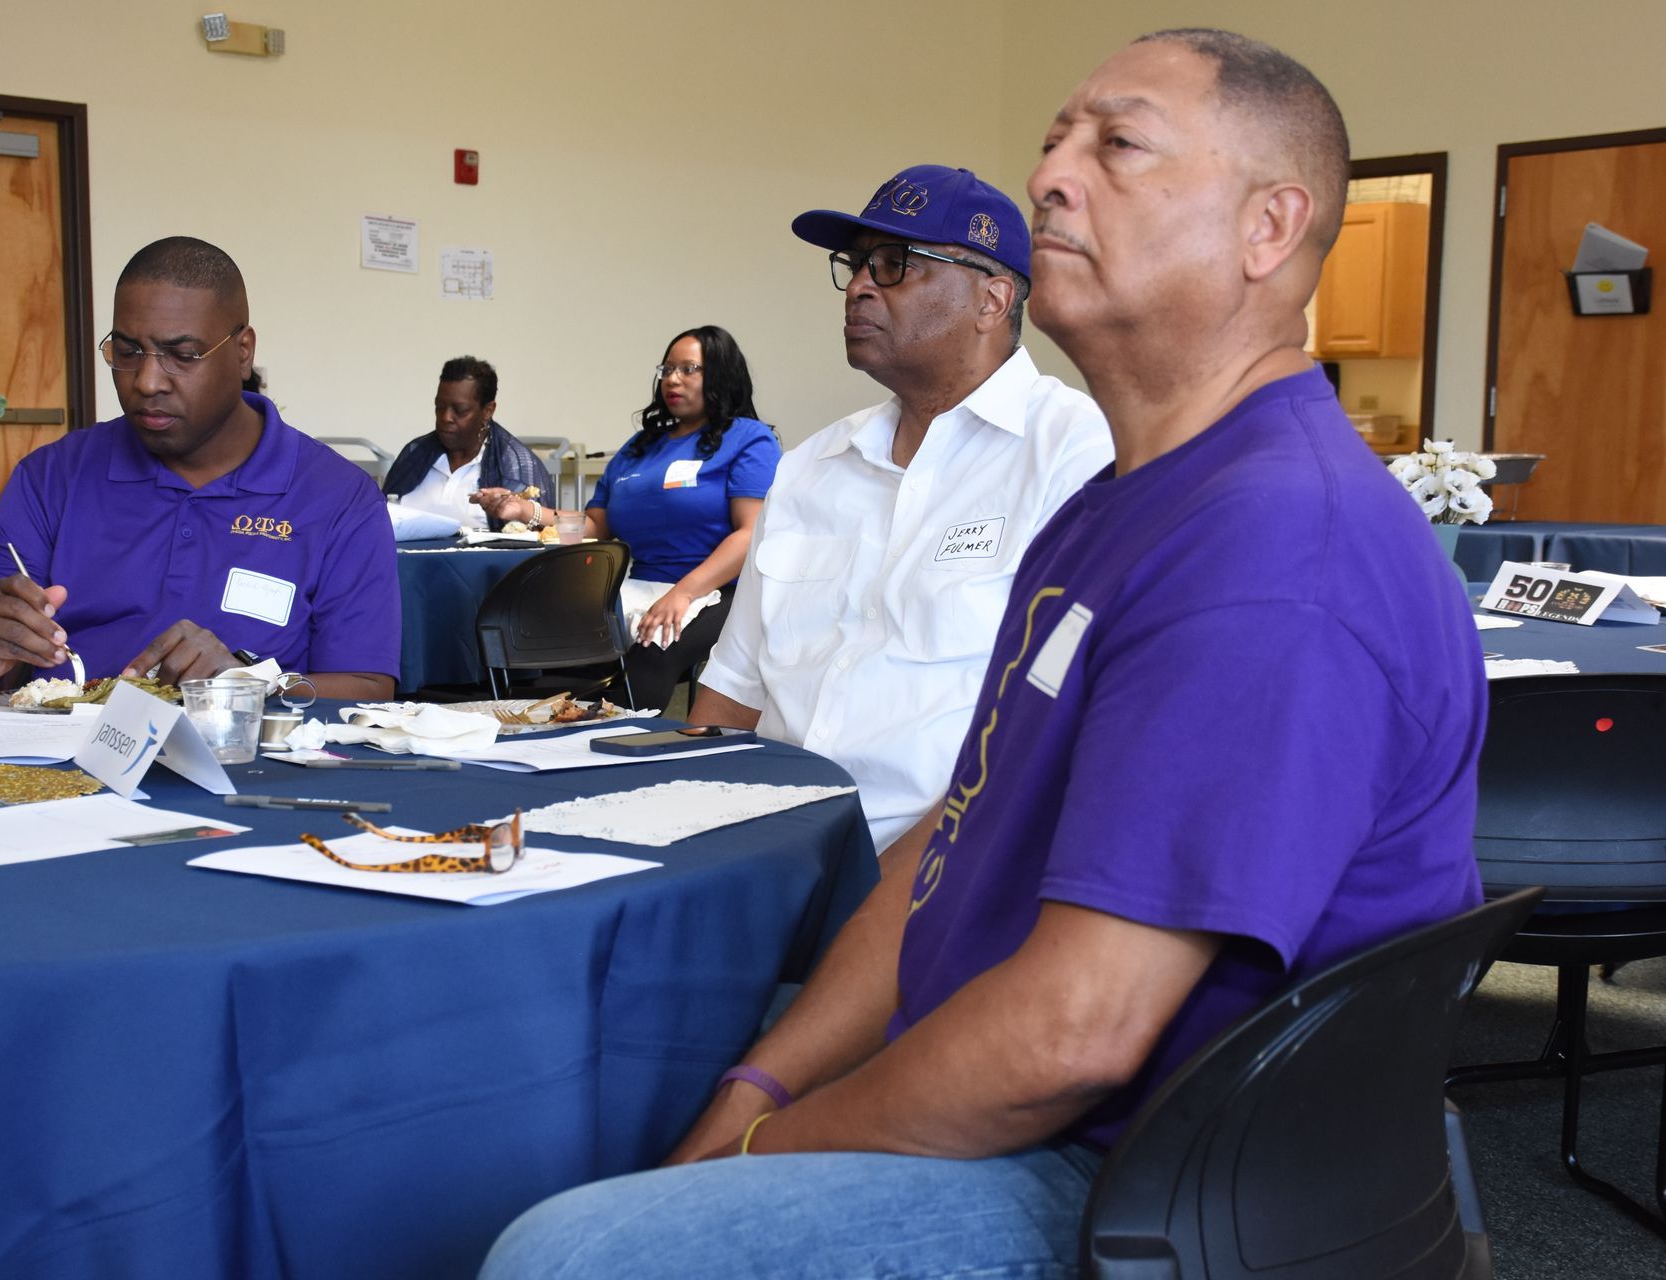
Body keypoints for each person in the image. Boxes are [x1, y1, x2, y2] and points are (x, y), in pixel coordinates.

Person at [480, 29, 1487, 1279]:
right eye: (1054, 141)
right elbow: (958, 832)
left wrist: (759, 1150)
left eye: (1116, 144)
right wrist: (759, 1084)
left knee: (565, 1254)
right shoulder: (1120, 502)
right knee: (600, 1096)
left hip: (1151, 1178)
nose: (1054, 175)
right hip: (1021, 1066)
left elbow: (1074, 1035)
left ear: (1268, 229)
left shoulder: (1275, 545)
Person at [687, 164, 1113, 851]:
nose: (858, 286)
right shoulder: (809, 469)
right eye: (855, 264)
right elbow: (732, 694)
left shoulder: (1075, 456)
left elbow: (1069, 732)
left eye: (892, 265)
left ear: (992, 299)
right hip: (762, 849)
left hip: (938, 874)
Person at [0, 236, 399, 702]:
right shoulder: (51, 477)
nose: (146, 382)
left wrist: (247, 684)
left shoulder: (338, 498)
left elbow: (367, 688)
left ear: (243, 351)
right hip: (57, 760)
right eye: (127, 353)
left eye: (183, 356)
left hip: (247, 766)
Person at [479, 326, 779, 709]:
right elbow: (593, 528)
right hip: (641, 586)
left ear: (721, 375)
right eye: (667, 368)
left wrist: (683, 593)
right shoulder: (640, 447)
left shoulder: (749, 439)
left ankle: (624, 744)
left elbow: (750, 533)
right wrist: (525, 511)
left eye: (689, 369)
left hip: (719, 591)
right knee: (552, 643)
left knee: (651, 651)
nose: (672, 379)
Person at [382, 356, 551, 531]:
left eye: (460, 410)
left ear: (488, 411)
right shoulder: (414, 454)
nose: (446, 418)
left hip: (487, 559)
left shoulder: (517, 466)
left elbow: (539, 542)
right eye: (439, 407)